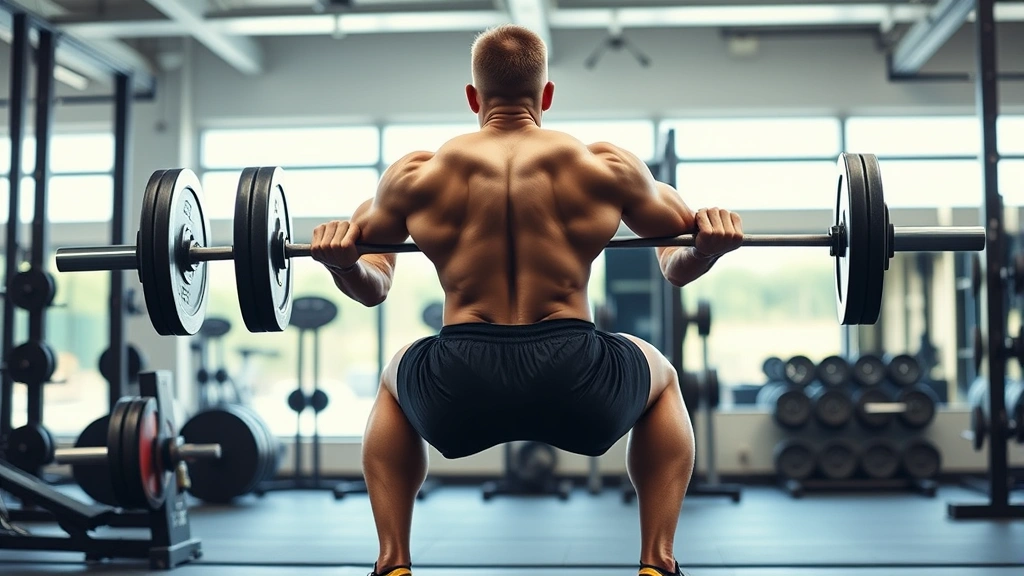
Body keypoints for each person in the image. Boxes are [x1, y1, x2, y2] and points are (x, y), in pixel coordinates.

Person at [309, 24, 743, 576]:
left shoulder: (414, 177)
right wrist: (710, 248)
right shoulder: (606, 167)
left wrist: (343, 262)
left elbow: (373, 288)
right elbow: (677, 267)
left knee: (395, 375)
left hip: (457, 384)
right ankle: (657, 561)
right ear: (547, 95)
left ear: (472, 97)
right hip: (578, 379)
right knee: (663, 376)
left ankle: (392, 561)